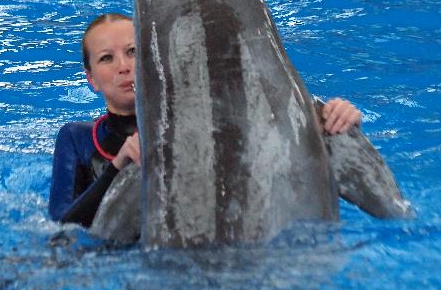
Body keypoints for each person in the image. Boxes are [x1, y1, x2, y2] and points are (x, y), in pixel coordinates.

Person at [47, 12, 364, 228]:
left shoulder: (202, 124)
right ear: (91, 79)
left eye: (132, 52)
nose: (124, 66)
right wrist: (118, 167)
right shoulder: (76, 137)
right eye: (107, 58)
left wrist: (330, 124)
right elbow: (62, 226)